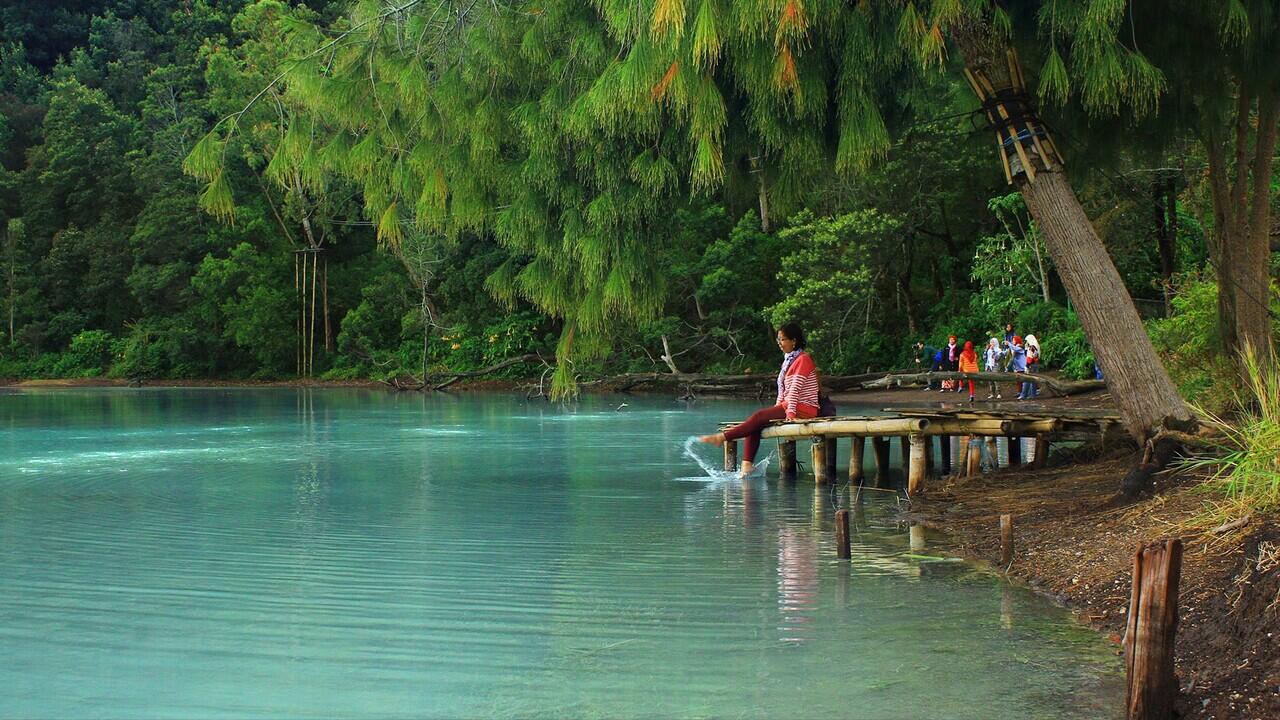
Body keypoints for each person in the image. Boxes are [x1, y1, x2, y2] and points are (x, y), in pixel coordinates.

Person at [698, 323, 820, 475]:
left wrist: (790, 414)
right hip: (790, 405)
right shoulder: (789, 360)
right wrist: (776, 409)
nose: (780, 344)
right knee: (756, 423)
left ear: (793, 341)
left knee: (757, 417)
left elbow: (795, 389)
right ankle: (747, 465)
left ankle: (722, 437)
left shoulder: (803, 359)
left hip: (804, 408)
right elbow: (783, 389)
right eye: (778, 340)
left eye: (782, 340)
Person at [1006, 335, 1029, 399]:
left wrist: (1009, 344)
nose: (1012, 341)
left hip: (1022, 367)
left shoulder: (1020, 347)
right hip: (1017, 367)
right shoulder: (1014, 347)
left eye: (1014, 340)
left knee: (1023, 381)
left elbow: (1014, 348)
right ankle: (1020, 392)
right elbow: (1010, 351)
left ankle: (1023, 394)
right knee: (1018, 381)